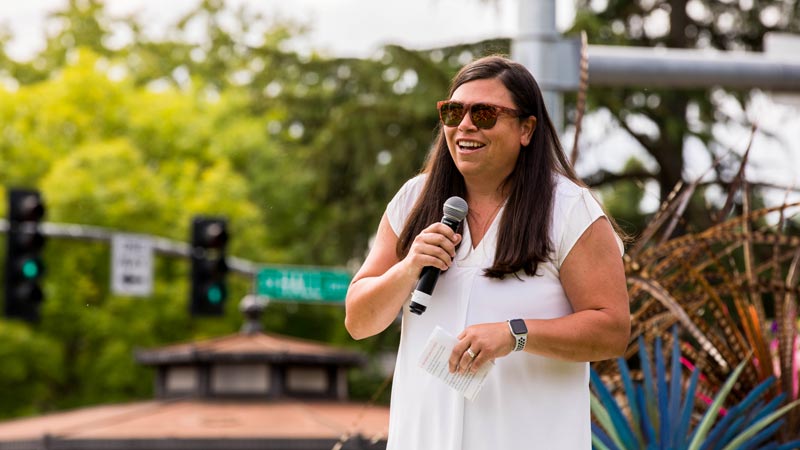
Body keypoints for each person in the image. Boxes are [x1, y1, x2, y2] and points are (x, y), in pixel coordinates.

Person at [344, 55, 630, 449]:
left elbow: (612, 330)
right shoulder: (414, 199)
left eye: (484, 114)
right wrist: (409, 267)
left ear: (526, 129)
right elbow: (359, 321)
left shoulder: (569, 209)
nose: (464, 125)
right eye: (453, 112)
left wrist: (516, 335)